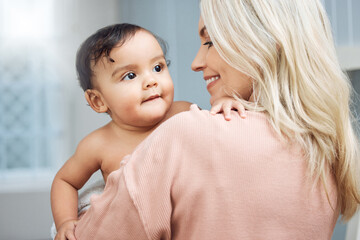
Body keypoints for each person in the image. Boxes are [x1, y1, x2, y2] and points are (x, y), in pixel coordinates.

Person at [74, 0, 360, 239]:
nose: (196, 62)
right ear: (96, 100)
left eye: (210, 41)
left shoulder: (187, 133)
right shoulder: (328, 153)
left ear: (264, 42)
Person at [50, 23, 244, 240]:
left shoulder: (184, 113)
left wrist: (226, 103)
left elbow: (217, 143)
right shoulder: (99, 144)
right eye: (130, 75)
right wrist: (66, 222)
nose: (151, 81)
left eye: (158, 67)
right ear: (98, 100)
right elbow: (65, 181)